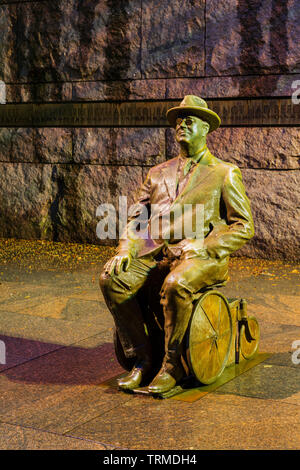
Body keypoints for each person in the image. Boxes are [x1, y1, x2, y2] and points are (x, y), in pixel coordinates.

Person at [100, 95, 254, 394]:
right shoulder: (157, 173)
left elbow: (243, 225)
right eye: (179, 121)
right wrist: (125, 249)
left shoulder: (224, 172)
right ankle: (142, 360)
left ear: (206, 128)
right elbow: (136, 217)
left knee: (175, 284)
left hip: (200, 255)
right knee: (112, 279)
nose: (182, 125)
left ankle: (172, 365)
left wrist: (206, 246)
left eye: (190, 120)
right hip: (155, 252)